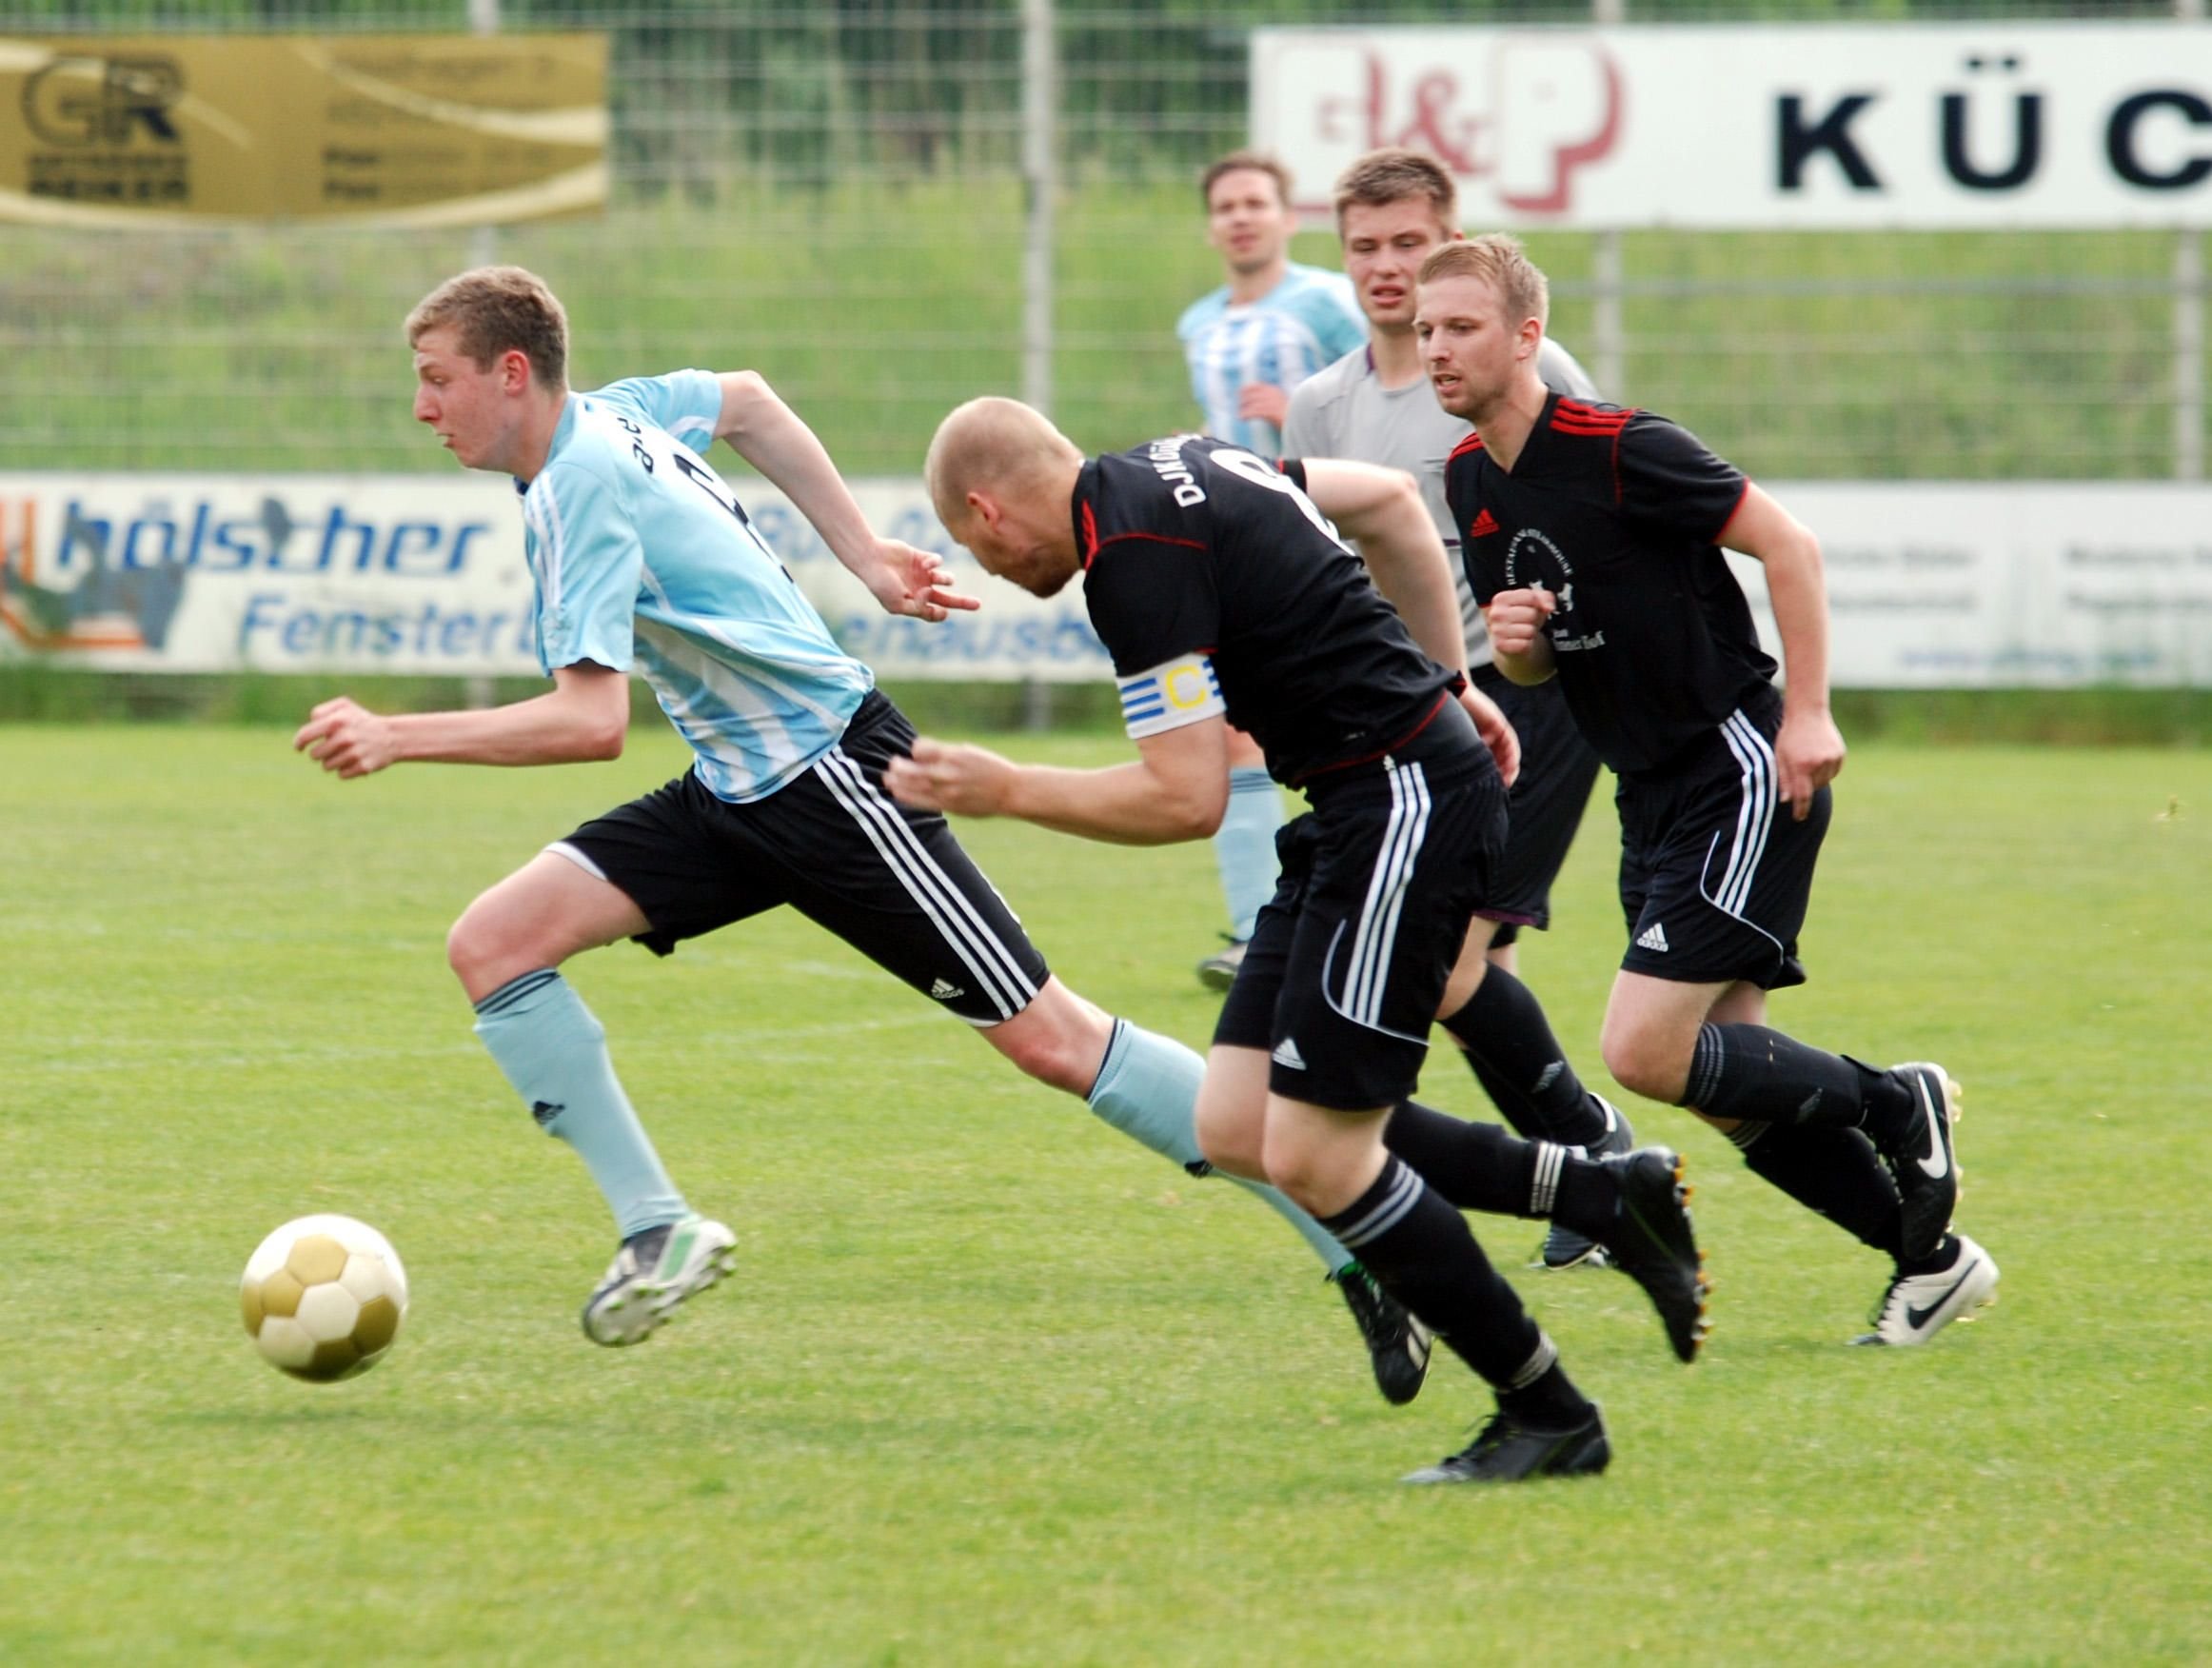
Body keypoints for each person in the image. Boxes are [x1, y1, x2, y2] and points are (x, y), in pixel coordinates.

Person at [292, 264, 1433, 1394]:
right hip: (737, 788)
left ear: (508, 373)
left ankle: (1358, 1243)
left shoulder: (576, 484)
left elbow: (589, 722)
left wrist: (400, 734)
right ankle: (660, 1229)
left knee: (1052, 1039)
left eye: (436, 380)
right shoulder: (622, 411)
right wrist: (864, 556)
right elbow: (746, 399)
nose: (422, 406)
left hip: (836, 778)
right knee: (493, 945)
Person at [892, 397, 1711, 1485]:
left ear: (988, 512)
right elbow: (1383, 507)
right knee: (1235, 1123)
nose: (986, 569)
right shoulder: (1184, 459)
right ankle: (1602, 1192)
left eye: (969, 547)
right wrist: (1450, 681)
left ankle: (1546, 1410)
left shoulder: (1129, 564)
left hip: (1400, 808)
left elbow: (1183, 798)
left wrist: (1005, 789)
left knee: (1320, 1157)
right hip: (1350, 809)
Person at [1417, 234, 2000, 1347]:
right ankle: (1927, 1262)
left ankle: (1895, 1100)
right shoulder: (1466, 478)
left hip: (1733, 762)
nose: (1435, 348)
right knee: (1729, 1085)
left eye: (1461, 328)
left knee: (1641, 1050)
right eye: (1425, 331)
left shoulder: (1621, 445)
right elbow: (1544, 663)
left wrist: (1808, 711)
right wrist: (1518, 647)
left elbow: (1788, 544)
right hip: (1648, 793)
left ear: (1526, 337)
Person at [1284, 147, 1626, 1274]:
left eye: (1407, 247)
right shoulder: (1322, 406)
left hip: (1532, 705)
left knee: (1448, 957)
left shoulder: (1530, 372)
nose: (1386, 271)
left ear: (1449, 245)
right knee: (1483, 956)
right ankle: (1576, 1170)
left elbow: (1601, 519)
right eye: (1363, 249)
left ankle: (1585, 1150)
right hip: (1415, 724)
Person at [1176, 151, 1368, 993]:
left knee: (1345, 731)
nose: (1241, 217)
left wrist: (1296, 423)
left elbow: (1385, 391)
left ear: (1290, 217)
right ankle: (1258, 929)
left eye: (1257, 202)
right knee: (1230, 730)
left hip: (1326, 535)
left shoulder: (1326, 302)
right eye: (1226, 206)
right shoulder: (1200, 321)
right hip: (1235, 542)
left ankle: (1350, 908)